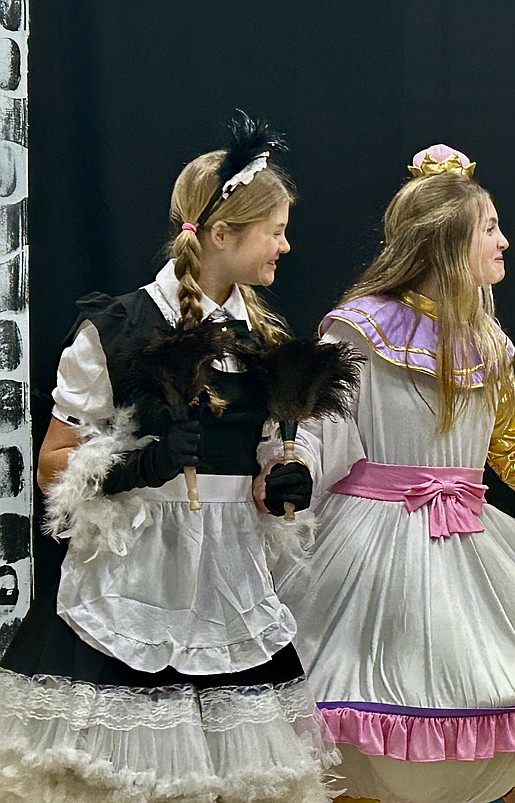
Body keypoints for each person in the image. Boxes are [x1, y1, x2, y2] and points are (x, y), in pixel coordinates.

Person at [272, 145, 515, 803]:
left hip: (465, 543)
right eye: (489, 227)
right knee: (364, 714)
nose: (505, 241)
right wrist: (292, 473)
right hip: (370, 551)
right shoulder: (358, 329)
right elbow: (318, 431)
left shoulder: (490, 343)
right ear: (448, 242)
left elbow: (513, 458)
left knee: (485, 704)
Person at [0, 117, 338, 802]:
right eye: (273, 228)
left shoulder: (266, 338)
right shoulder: (118, 329)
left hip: (228, 581)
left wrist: (279, 484)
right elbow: (52, 463)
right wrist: (135, 468)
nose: (285, 244)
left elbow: (267, 455)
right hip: (137, 574)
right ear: (222, 235)